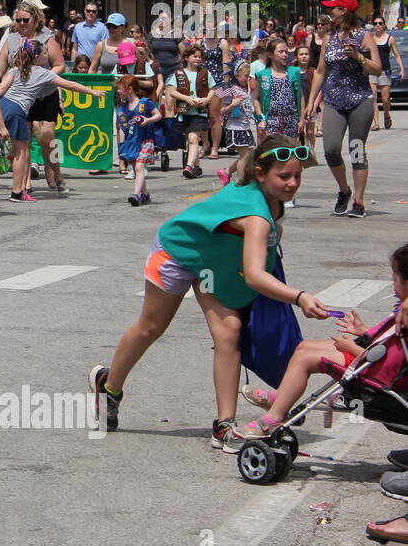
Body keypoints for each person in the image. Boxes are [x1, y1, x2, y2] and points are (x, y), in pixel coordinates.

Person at [90, 136, 331, 446]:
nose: (292, 183)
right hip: (177, 252)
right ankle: (108, 387)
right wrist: (298, 296)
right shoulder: (257, 216)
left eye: (297, 175)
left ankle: (224, 424)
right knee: (151, 327)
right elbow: (256, 277)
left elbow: (244, 162)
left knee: (230, 330)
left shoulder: (260, 186)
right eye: (284, 176)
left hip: (213, 261)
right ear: (261, 174)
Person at [235, 243, 407, 441]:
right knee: (304, 347)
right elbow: (393, 344)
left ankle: (274, 418)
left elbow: (392, 359)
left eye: (395, 280)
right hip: (375, 358)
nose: (393, 286)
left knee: (305, 359)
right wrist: (364, 332)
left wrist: (351, 346)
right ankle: (282, 397)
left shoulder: (406, 313)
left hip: (378, 370)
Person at [0, 40, 106, 203]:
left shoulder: (16, 69)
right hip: (19, 109)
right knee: (22, 152)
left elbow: (1, 88)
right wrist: (92, 92)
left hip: (13, 104)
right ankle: (18, 190)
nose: (47, 55)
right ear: (37, 56)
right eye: (45, 52)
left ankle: (56, 177)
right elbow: (70, 84)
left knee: (47, 141)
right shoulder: (40, 71)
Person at [304, 0, 381, 218]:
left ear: (344, 11)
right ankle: (344, 190)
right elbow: (320, 71)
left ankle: (358, 201)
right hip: (334, 101)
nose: (331, 13)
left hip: (360, 100)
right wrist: (311, 101)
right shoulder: (329, 38)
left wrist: (359, 57)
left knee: (356, 150)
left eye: (334, 8)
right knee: (330, 149)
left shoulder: (363, 36)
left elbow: (377, 69)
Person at [0, 2, 68, 195]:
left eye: (25, 20)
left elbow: (60, 65)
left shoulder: (47, 38)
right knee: (22, 139)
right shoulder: (11, 39)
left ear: (36, 20)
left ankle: (56, 173)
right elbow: (0, 68)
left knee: (46, 137)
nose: (21, 23)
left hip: (44, 94)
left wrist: (42, 77)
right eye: (18, 20)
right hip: (19, 97)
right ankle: (24, 184)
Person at [114, 75, 161, 206]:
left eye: (120, 89)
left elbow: (158, 115)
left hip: (146, 140)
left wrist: (148, 120)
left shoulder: (145, 102)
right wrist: (122, 147)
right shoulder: (122, 108)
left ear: (129, 89)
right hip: (132, 142)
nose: (118, 91)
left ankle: (136, 194)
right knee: (136, 169)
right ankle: (144, 194)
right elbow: (122, 129)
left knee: (140, 166)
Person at [168, 45, 212, 178]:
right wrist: (186, 98)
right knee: (190, 140)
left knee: (193, 138)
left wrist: (206, 100)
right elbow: (172, 90)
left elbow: (213, 89)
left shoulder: (205, 73)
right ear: (187, 58)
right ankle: (196, 167)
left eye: (200, 57)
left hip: (200, 112)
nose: (198, 59)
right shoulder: (179, 73)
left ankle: (188, 166)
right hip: (185, 112)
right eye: (195, 56)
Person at [216, 60, 257, 185]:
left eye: (249, 75)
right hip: (235, 128)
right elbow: (221, 111)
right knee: (245, 155)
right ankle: (240, 181)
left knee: (249, 154)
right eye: (245, 75)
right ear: (237, 75)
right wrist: (231, 105)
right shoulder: (231, 90)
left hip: (245, 127)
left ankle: (227, 172)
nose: (247, 78)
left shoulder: (243, 90)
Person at [367, 15, 403, 130]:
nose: (377, 25)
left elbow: (397, 55)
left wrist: (401, 69)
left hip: (384, 72)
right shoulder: (370, 38)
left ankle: (386, 114)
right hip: (372, 71)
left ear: (384, 26)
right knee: (372, 97)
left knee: (385, 99)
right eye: (375, 23)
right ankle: (376, 123)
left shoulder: (390, 38)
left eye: (380, 23)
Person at [71, 2, 108, 69]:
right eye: (88, 11)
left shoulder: (103, 28)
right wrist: (72, 65)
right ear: (84, 11)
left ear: (96, 13)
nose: (91, 13)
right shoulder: (77, 27)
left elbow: (105, 49)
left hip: (96, 66)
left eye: (93, 11)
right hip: (80, 67)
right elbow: (74, 48)